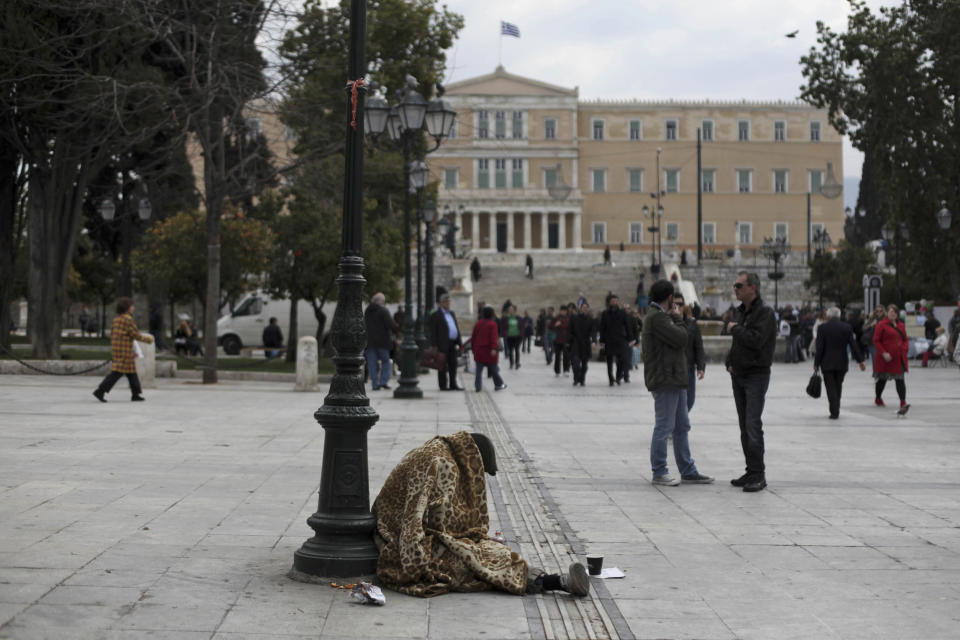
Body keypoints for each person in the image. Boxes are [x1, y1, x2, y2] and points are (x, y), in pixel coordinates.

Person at [372, 431, 588, 598]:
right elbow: (415, 523)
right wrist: (415, 566)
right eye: (481, 473)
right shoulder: (441, 464)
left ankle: (552, 580)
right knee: (473, 558)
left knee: (484, 549)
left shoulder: (441, 450)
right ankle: (553, 582)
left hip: (397, 525)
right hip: (395, 536)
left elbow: (437, 517)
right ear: (473, 463)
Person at [642, 280, 713, 486]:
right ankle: (659, 471)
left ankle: (688, 469)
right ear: (669, 297)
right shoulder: (657, 318)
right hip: (666, 379)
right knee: (664, 426)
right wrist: (679, 319)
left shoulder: (660, 317)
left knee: (682, 425)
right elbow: (682, 338)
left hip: (675, 378)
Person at [725, 271, 777, 492]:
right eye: (735, 285)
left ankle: (758, 474)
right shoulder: (740, 311)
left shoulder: (764, 313)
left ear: (752, 288)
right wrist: (729, 360)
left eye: (739, 285)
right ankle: (751, 470)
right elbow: (738, 344)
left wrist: (735, 329)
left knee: (753, 424)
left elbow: (756, 340)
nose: (735, 289)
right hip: (739, 374)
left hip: (756, 374)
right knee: (744, 426)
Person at [93, 297, 153, 403]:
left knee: (131, 372)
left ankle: (136, 394)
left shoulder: (116, 319)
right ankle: (100, 391)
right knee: (117, 373)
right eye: (131, 306)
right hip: (125, 350)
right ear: (127, 308)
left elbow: (112, 334)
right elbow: (135, 334)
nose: (133, 308)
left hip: (118, 349)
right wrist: (149, 339)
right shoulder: (128, 319)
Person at [814, 307, 866, 419]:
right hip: (842, 362)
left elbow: (820, 347)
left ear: (828, 316)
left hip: (827, 362)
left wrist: (816, 363)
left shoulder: (822, 328)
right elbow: (853, 345)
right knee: (838, 385)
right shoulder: (846, 327)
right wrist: (860, 361)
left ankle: (834, 410)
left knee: (830, 387)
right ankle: (836, 406)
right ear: (839, 315)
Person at [873, 303, 910, 415]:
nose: (892, 314)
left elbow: (905, 339)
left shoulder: (901, 325)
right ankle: (878, 398)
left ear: (897, 314)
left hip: (898, 358)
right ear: (887, 313)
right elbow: (876, 340)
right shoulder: (881, 325)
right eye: (890, 312)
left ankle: (903, 402)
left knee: (900, 380)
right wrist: (883, 352)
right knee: (882, 379)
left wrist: (904, 348)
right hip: (886, 358)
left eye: (894, 312)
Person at [675, 294, 705, 412]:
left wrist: (701, 367)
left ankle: (679, 426)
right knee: (677, 404)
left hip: (688, 368)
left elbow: (698, 347)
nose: (678, 307)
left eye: (680, 304)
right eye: (675, 304)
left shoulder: (692, 324)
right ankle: (679, 427)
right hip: (673, 370)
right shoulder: (666, 323)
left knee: (689, 401)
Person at [428, 293, 463, 390]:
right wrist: (434, 345)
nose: (448, 303)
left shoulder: (451, 313)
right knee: (442, 365)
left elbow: (455, 327)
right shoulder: (436, 315)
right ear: (441, 303)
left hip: (452, 343)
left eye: (449, 301)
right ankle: (443, 385)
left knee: (453, 364)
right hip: (442, 344)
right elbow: (433, 331)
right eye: (446, 302)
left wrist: (460, 343)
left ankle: (453, 384)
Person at [364, 293, 398, 390]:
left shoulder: (367, 311)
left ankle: (375, 384)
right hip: (383, 342)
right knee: (386, 362)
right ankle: (383, 381)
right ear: (381, 301)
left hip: (370, 342)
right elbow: (391, 325)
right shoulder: (383, 310)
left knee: (372, 363)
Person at [471, 306, 507, 392]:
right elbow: (493, 338)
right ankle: (498, 384)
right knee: (494, 369)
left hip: (479, 351)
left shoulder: (478, 323)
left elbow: (473, 338)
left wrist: (473, 349)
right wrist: (494, 348)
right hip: (489, 351)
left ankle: (478, 386)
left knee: (478, 371)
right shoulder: (492, 324)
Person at [599, 294, 630, 386]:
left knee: (621, 360)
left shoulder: (622, 312)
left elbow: (627, 326)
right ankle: (610, 379)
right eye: (613, 301)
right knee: (609, 361)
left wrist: (630, 338)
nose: (614, 302)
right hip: (609, 340)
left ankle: (618, 376)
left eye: (616, 301)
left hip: (619, 339)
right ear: (609, 302)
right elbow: (602, 327)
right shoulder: (605, 313)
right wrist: (601, 340)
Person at [569, 301, 594, 386]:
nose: (585, 309)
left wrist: (593, 341)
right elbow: (569, 330)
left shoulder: (590, 318)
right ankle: (576, 378)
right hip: (576, 343)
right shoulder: (574, 317)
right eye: (583, 307)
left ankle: (582, 379)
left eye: (586, 308)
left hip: (586, 344)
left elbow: (592, 331)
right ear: (580, 308)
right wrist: (569, 341)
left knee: (584, 365)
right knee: (575, 363)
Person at [549, 306, 570, 377]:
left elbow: (570, 327)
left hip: (566, 340)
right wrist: (555, 325)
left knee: (566, 356)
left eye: (564, 311)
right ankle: (557, 371)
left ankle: (566, 370)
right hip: (557, 340)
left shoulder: (568, 318)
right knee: (557, 356)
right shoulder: (556, 318)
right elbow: (550, 326)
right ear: (560, 311)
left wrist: (562, 325)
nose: (563, 312)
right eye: (562, 310)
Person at [501, 305, 522, 369]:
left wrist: (521, 335)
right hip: (509, 336)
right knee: (510, 351)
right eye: (509, 309)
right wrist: (504, 333)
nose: (510, 310)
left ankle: (517, 362)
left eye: (511, 309)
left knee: (517, 350)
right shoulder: (506, 318)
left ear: (514, 310)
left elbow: (521, 326)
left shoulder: (518, 317)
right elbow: (503, 326)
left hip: (517, 336)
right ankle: (511, 363)